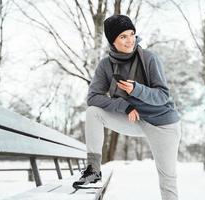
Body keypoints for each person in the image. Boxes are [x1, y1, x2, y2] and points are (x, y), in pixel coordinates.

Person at [73, 14, 181, 200]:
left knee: (167, 178)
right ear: (112, 41)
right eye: (123, 36)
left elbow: (163, 95)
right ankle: (93, 170)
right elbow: (92, 97)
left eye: (131, 34)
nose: (130, 40)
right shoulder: (106, 65)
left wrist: (136, 90)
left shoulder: (148, 58)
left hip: (162, 124)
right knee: (93, 113)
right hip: (134, 119)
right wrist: (124, 105)